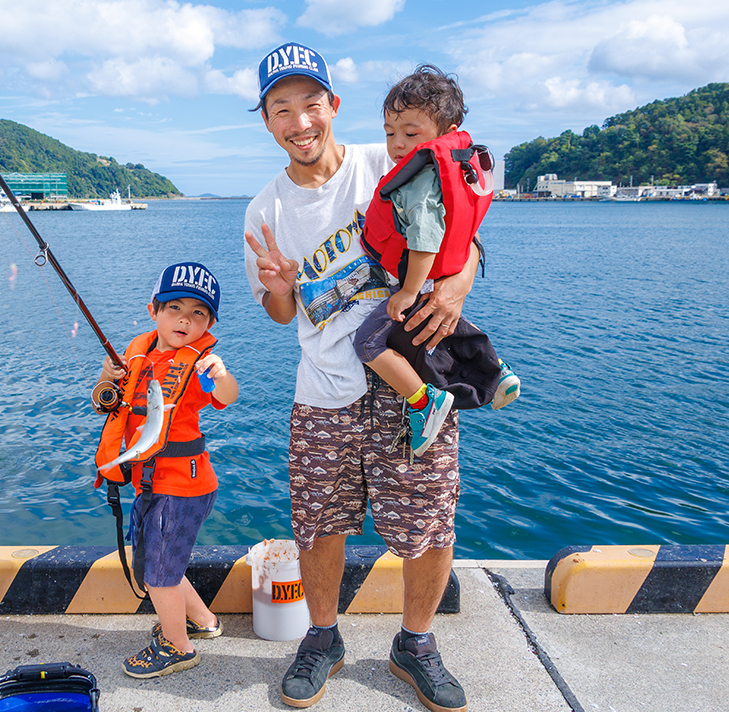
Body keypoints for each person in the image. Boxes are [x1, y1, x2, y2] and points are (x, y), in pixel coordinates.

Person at [244, 42, 476, 712]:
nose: (300, 122)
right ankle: (322, 639)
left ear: (334, 105)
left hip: (414, 382)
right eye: (281, 109)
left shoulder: (394, 158)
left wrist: (456, 290)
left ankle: (416, 643)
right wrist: (280, 289)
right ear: (267, 121)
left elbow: (465, 236)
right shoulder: (263, 210)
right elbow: (279, 313)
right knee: (319, 524)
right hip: (323, 392)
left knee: (430, 522)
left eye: (310, 103)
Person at [355, 64, 521, 458]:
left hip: (421, 280)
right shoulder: (452, 171)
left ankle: (423, 402)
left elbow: (425, 239)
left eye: (410, 134)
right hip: (439, 278)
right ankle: (497, 371)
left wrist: (408, 291)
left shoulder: (419, 182)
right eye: (390, 133)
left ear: (447, 133)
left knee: (368, 342)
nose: (397, 144)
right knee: (444, 326)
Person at [92, 261, 238, 678]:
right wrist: (106, 377)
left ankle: (178, 647)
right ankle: (203, 621)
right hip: (151, 482)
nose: (185, 320)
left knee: (159, 574)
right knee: (162, 563)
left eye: (198, 313)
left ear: (209, 323)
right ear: (153, 310)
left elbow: (228, 395)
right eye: (175, 308)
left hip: (183, 486)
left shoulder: (201, 365)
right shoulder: (136, 354)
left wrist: (221, 374)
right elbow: (103, 402)